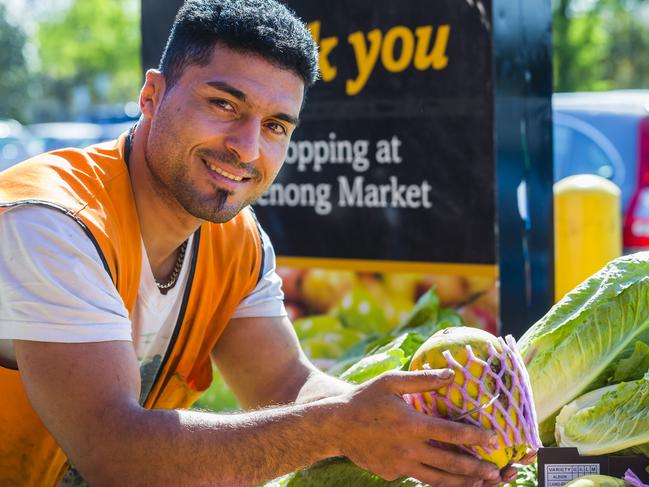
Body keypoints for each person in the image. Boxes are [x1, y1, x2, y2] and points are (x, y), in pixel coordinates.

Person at [0, 1, 522, 486]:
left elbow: (285, 384)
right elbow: (112, 450)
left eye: (275, 126)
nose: (247, 148)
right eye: (224, 104)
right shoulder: (51, 221)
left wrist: (424, 435)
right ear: (152, 97)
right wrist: (336, 428)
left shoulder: (236, 238)